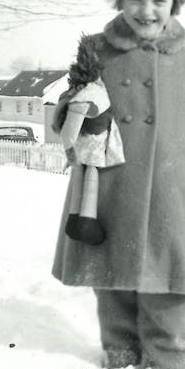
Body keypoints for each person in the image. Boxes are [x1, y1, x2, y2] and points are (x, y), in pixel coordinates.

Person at [51, 0, 185, 369]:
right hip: (107, 189)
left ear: (176, 2)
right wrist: (75, 108)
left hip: (172, 193)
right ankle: (121, 359)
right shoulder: (96, 51)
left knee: (166, 286)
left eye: (159, 1)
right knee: (112, 282)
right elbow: (68, 110)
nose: (147, 11)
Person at [57, 35, 127, 245]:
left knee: (82, 172)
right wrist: (69, 151)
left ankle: (75, 218)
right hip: (92, 143)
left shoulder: (86, 91)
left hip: (86, 143)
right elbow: (69, 131)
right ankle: (86, 218)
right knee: (91, 175)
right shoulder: (92, 93)